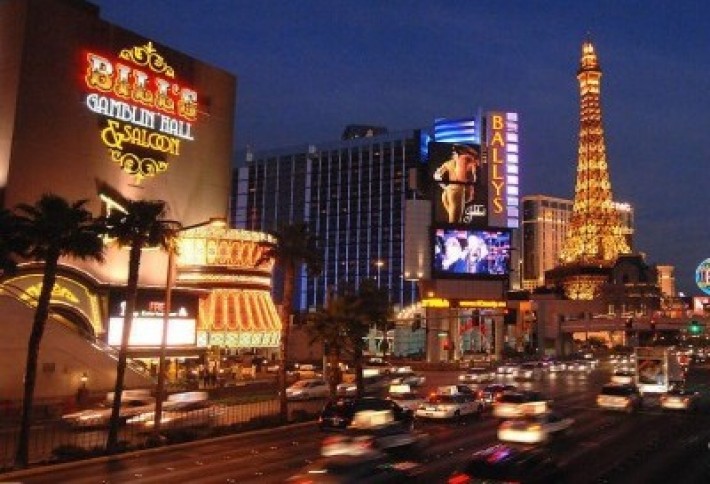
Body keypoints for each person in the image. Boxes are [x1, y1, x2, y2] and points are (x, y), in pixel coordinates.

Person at [433, 144, 480, 223]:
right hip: (458, 190)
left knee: (453, 220)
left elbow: (436, 175)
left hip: (447, 192)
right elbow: (473, 177)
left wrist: (445, 187)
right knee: (455, 222)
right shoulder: (468, 159)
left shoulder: (448, 163)